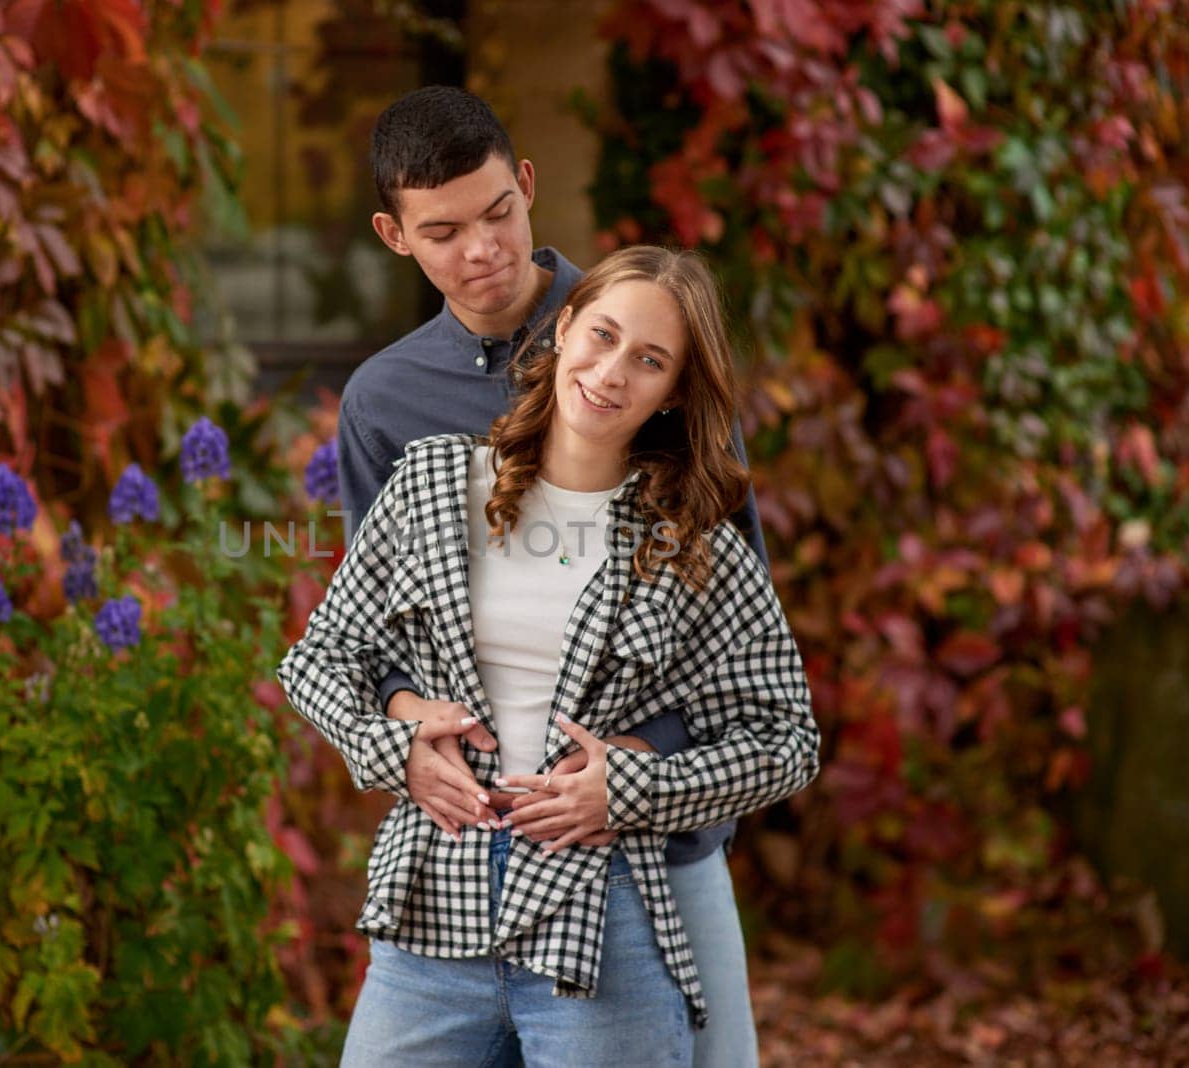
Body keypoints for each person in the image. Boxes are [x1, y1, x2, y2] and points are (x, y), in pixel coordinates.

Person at [280, 244, 819, 1065]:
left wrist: (634, 787)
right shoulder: (431, 483)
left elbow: (787, 741)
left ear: (673, 391)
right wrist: (398, 751)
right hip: (434, 911)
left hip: (603, 924)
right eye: (601, 336)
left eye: (648, 360)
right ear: (564, 329)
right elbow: (319, 661)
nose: (610, 373)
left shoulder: (693, 541)